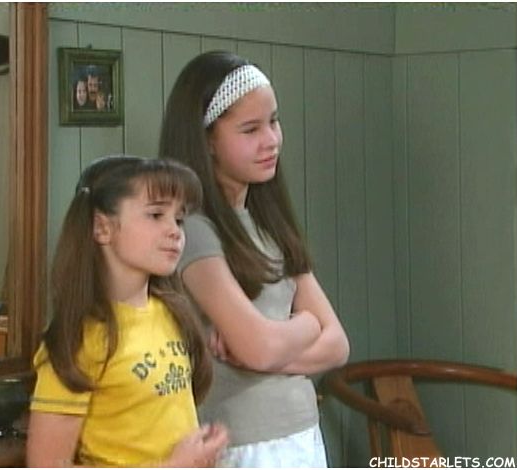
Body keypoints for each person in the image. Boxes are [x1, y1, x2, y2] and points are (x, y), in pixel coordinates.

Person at [158, 50, 350, 467]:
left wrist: (267, 350)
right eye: (250, 129)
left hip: (303, 434)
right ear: (207, 140)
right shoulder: (194, 230)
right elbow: (263, 347)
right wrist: (306, 326)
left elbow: (337, 345)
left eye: (274, 121)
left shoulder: (270, 222)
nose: (271, 140)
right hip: (243, 444)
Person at [26, 155, 229, 467]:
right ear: (102, 227)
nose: (174, 231)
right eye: (156, 214)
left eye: (179, 219)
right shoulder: (79, 340)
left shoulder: (172, 313)